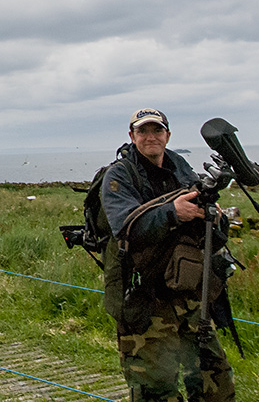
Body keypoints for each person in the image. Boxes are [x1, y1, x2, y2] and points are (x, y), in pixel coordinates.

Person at [100, 108, 235, 402]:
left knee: (215, 378)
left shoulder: (180, 167)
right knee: (156, 388)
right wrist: (173, 213)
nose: (151, 137)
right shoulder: (120, 176)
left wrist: (214, 215)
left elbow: (205, 223)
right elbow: (126, 228)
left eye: (157, 131)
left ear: (167, 135)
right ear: (132, 136)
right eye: (143, 131)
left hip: (187, 293)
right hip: (144, 297)